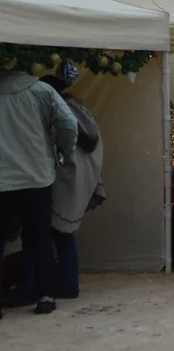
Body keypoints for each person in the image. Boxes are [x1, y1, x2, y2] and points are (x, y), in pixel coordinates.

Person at [0, 64, 77, 317]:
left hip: (2, 178)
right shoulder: (42, 90)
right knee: (40, 238)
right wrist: (65, 152)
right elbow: (68, 123)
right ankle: (45, 294)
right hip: (37, 175)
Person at [40, 64, 105, 300]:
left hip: (58, 180)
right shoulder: (82, 112)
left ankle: (39, 287)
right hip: (79, 182)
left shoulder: (59, 114)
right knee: (65, 235)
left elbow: (59, 144)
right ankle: (67, 284)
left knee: (45, 236)